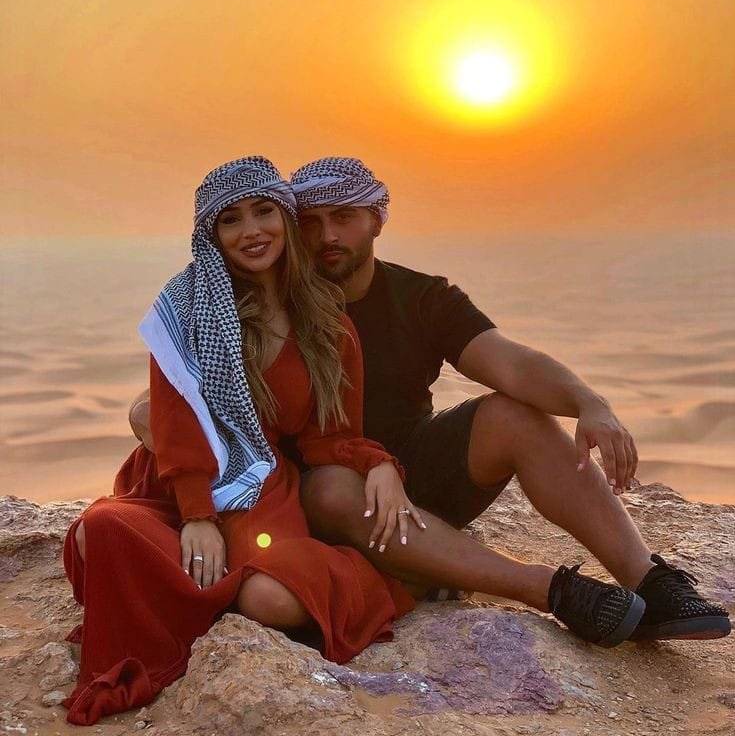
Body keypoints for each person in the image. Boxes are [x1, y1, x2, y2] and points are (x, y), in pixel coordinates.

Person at [131, 157, 731, 648]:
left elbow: (509, 362)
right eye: (310, 223)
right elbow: (165, 402)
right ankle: (544, 588)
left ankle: (651, 581)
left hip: (409, 476)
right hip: (306, 491)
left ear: (377, 221)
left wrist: (588, 401)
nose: (327, 237)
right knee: (335, 485)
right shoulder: (252, 305)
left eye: (344, 217)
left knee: (514, 414)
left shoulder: (422, 298)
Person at [62, 156, 415, 726]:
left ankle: (379, 581)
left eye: (263, 211)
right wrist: (198, 514)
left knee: (271, 601)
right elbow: (173, 424)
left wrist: (379, 464)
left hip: (260, 488)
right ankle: (198, 592)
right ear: (212, 234)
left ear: (285, 216)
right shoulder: (185, 309)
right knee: (97, 533)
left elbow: (332, 436)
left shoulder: (328, 323)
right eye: (230, 220)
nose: (251, 231)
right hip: (176, 480)